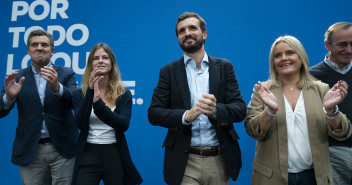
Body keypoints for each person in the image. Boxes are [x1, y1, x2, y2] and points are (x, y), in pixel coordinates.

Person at [148, 12, 246, 185]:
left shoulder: (224, 67)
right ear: (178, 37)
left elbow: (239, 109)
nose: (187, 33)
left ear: (204, 33)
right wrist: (186, 116)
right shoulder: (168, 72)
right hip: (184, 161)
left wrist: (215, 111)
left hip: (219, 159)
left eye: (192, 28)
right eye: (181, 31)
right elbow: (154, 113)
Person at [245, 35, 352, 185]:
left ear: (301, 57)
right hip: (272, 178)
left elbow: (343, 132)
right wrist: (269, 110)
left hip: (314, 177)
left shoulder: (321, 89)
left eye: (290, 53)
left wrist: (331, 110)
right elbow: (252, 130)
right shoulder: (262, 90)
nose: (283, 58)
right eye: (277, 55)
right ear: (273, 62)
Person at [0, 29, 78, 184]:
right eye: (34, 45)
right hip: (31, 149)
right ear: (28, 50)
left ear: (52, 50)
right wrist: (9, 97)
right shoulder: (17, 77)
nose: (40, 48)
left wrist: (57, 88)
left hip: (62, 149)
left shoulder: (66, 74)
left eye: (44, 44)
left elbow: (75, 102)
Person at [71, 43, 142, 185]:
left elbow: (123, 125)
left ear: (112, 63)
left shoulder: (123, 93)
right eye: (96, 58)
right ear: (91, 64)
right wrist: (91, 91)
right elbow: (80, 124)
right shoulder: (79, 94)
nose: (101, 61)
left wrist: (98, 104)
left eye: (105, 57)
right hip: (88, 153)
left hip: (114, 152)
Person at [310, 22, 352, 185]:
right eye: (342, 44)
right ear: (327, 45)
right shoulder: (310, 77)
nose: (348, 50)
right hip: (331, 153)